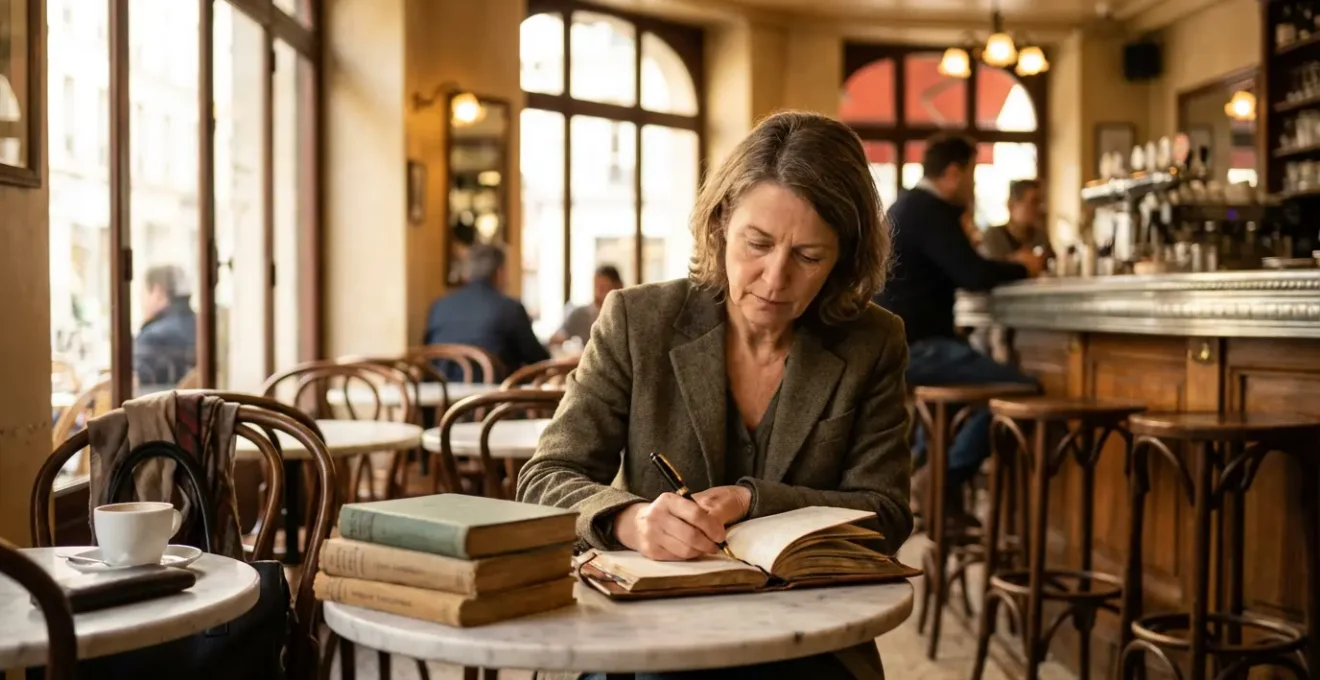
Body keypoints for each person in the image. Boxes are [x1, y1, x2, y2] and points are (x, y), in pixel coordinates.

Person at [518, 111, 911, 679]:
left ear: (843, 256)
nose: (775, 279)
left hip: (808, 646)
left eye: (808, 257)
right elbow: (544, 478)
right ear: (723, 220)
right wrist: (629, 520)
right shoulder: (638, 320)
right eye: (758, 243)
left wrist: (752, 501)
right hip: (649, 637)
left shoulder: (873, 340)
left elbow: (888, 513)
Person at [874, 133, 1043, 521]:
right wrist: (1023, 266)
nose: (974, 185)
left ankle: (920, 470)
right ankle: (945, 477)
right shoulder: (929, 210)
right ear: (954, 172)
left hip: (901, 344)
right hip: (918, 347)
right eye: (972, 174)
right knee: (1021, 390)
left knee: (954, 399)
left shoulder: (908, 207)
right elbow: (972, 273)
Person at [422, 243, 550, 382]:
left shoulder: (440, 306)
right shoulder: (510, 308)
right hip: (493, 400)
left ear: (466, 273)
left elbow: (428, 356)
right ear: (500, 272)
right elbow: (539, 360)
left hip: (440, 398)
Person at [134, 264, 197, 387]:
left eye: (143, 294)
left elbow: (137, 387)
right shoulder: (202, 326)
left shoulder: (152, 337)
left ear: (157, 292)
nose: (142, 303)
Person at [549, 265, 624, 349]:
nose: (597, 294)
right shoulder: (581, 314)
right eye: (596, 287)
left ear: (618, 286)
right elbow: (556, 338)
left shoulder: (625, 315)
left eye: (603, 288)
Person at [981, 179, 1054, 261]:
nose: (1040, 207)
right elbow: (992, 269)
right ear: (1011, 206)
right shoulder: (994, 236)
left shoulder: (1039, 236)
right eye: (1034, 202)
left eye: (1040, 202)